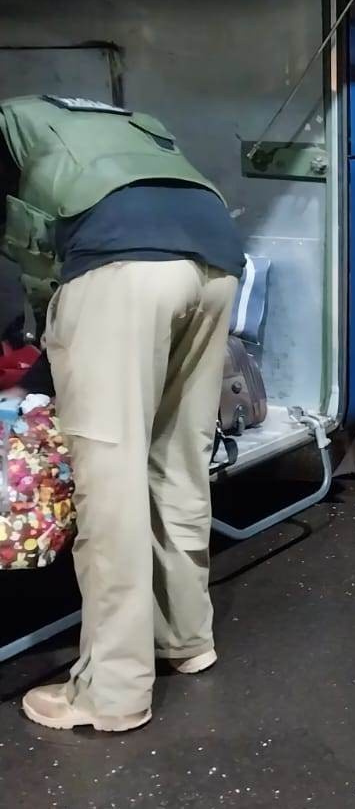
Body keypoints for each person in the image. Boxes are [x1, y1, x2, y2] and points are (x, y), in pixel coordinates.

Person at [0, 95, 245, 732]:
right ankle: (186, 638)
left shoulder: (7, 128)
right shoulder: (105, 118)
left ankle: (111, 692)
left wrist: (21, 339)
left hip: (124, 270)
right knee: (177, 463)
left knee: (111, 489)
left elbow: (13, 259)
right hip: (215, 261)